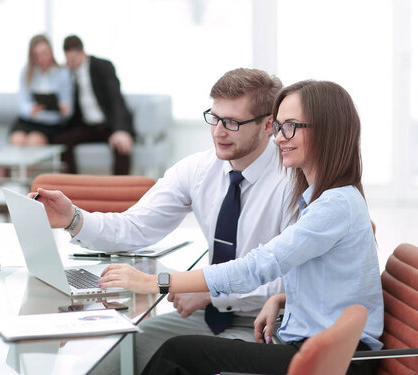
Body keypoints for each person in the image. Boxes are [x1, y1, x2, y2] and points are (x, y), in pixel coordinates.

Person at [98, 80, 384, 375]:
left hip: (334, 359)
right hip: (317, 347)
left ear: (326, 131)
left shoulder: (334, 205)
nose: (278, 138)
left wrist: (155, 282)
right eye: (279, 127)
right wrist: (281, 298)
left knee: (178, 352)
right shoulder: (325, 200)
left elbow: (257, 266)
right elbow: (334, 285)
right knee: (177, 353)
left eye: (290, 127)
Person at [29, 68, 292, 374]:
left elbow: (295, 278)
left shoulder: (293, 181)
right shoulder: (199, 170)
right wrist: (73, 219)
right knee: (108, 361)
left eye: (232, 122)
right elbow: (135, 227)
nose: (219, 131)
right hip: (207, 317)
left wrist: (212, 291)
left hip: (269, 324)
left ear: (268, 125)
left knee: (169, 363)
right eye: (215, 117)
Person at [53, 35, 135, 175]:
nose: (71, 63)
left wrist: (121, 129)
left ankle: (119, 191)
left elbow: (116, 99)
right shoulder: (67, 73)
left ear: (82, 53)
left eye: (73, 59)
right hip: (87, 126)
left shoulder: (103, 67)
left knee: (121, 145)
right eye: (68, 60)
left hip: (108, 124)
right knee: (62, 141)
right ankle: (71, 186)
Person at [9, 34, 72, 147]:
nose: (42, 58)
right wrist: (31, 109)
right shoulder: (27, 72)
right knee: (17, 140)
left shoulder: (62, 73)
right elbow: (22, 102)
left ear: (51, 51)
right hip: (27, 121)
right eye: (37, 55)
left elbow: (68, 108)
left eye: (44, 53)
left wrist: (63, 109)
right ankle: (11, 164)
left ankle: (21, 165)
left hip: (49, 124)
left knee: (33, 141)